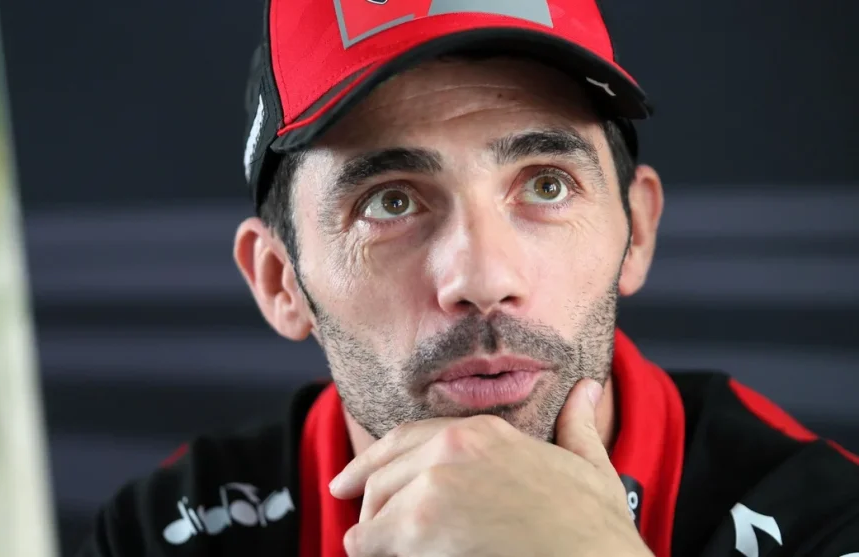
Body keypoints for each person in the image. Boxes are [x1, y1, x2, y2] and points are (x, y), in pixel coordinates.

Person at [75, 1, 859, 556]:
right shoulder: (159, 534)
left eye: (545, 184)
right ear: (281, 280)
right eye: (390, 201)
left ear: (637, 232)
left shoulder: (823, 515)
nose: (484, 278)